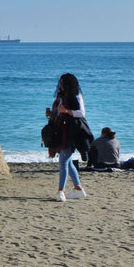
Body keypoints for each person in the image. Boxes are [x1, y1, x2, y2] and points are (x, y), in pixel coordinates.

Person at [46, 72, 90, 201]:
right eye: (60, 83)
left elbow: (81, 113)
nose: (60, 85)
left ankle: (61, 192)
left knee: (63, 162)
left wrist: (66, 111)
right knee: (68, 162)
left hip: (71, 132)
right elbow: (58, 113)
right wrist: (51, 114)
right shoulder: (60, 97)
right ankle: (78, 189)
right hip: (59, 131)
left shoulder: (77, 96)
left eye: (63, 83)